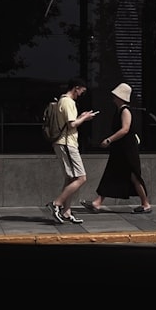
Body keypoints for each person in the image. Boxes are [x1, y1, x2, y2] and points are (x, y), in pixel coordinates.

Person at [81, 83, 152, 214]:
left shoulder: (125, 111)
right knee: (111, 173)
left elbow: (125, 129)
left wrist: (109, 140)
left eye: (115, 96)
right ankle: (97, 202)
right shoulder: (119, 111)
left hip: (127, 149)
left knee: (134, 175)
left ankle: (145, 203)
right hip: (120, 148)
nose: (113, 98)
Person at [45, 77, 98, 224]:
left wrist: (81, 116)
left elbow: (71, 121)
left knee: (71, 178)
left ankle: (67, 212)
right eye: (82, 91)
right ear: (76, 88)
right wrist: (85, 118)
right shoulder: (68, 101)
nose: (82, 94)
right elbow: (71, 124)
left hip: (65, 143)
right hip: (67, 144)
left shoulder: (63, 100)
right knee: (81, 178)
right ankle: (56, 204)